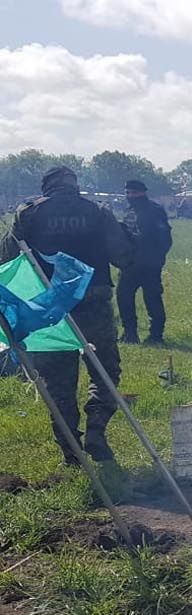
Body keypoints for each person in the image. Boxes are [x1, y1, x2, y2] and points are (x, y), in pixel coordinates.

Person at [0, 166, 134, 465]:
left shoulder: (29, 213)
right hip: (95, 304)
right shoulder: (97, 212)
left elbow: (7, 257)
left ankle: (71, 451)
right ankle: (97, 428)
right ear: (74, 185)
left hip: (50, 310)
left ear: (47, 187)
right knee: (104, 370)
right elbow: (123, 255)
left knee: (58, 383)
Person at [116, 180, 173, 345]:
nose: (130, 196)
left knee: (152, 299)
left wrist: (157, 259)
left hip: (149, 265)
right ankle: (130, 333)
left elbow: (165, 239)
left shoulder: (154, 211)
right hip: (129, 264)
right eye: (128, 193)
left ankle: (156, 335)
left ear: (143, 193)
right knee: (123, 297)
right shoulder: (129, 211)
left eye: (134, 193)